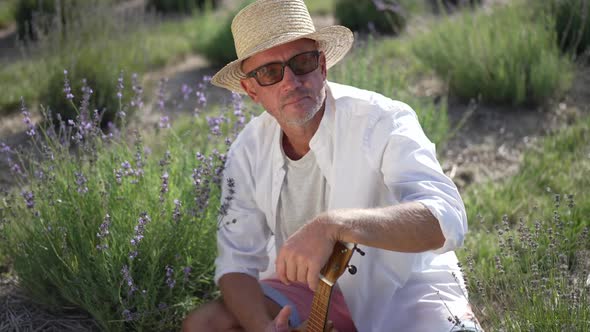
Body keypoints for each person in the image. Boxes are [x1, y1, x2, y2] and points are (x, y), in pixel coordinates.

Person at [183, 0, 481, 331]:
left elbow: (445, 219)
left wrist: (333, 225)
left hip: (402, 285)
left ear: (322, 66)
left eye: (303, 61)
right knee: (206, 324)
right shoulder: (247, 150)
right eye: (269, 72)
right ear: (251, 90)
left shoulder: (383, 119)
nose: (290, 81)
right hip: (304, 293)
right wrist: (262, 327)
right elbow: (235, 263)